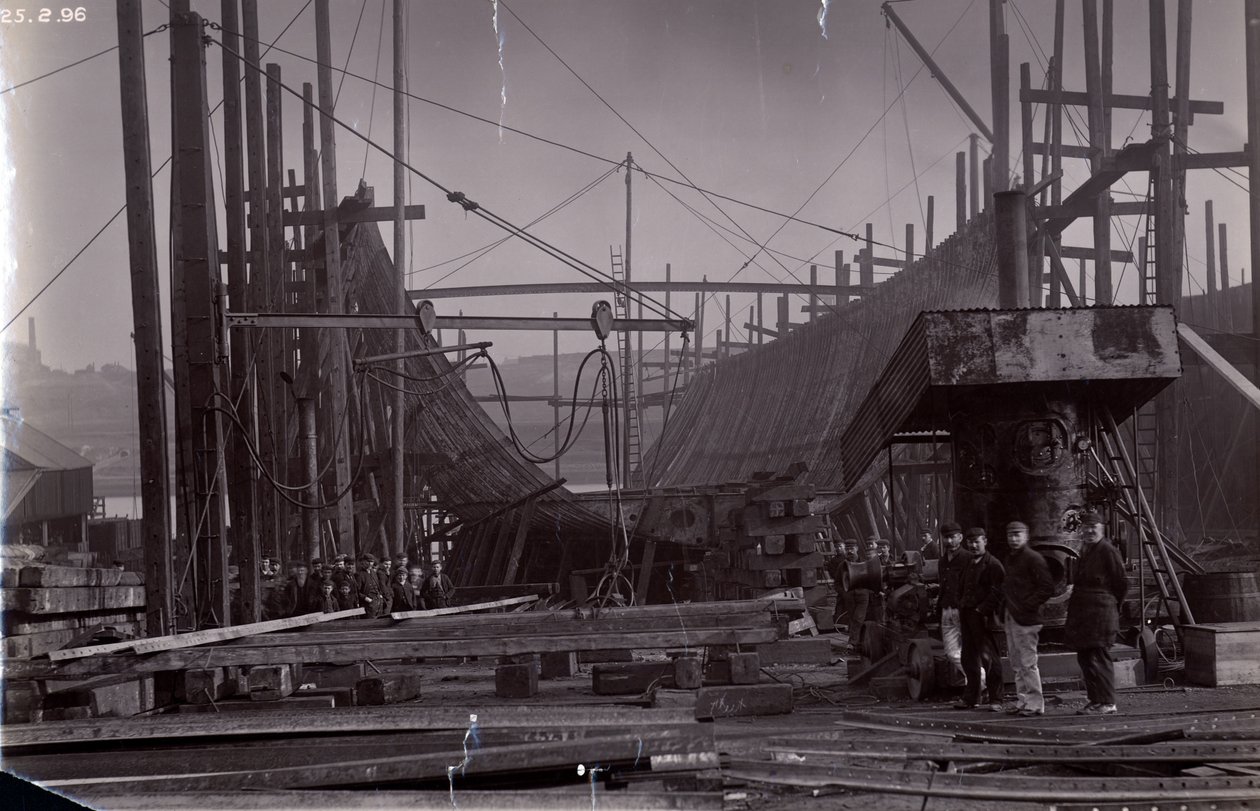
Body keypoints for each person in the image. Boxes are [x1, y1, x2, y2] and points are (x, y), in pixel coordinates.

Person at [1065, 512, 1128, 715]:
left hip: (1101, 612)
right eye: (1086, 527)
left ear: (1102, 529)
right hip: (1085, 613)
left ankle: (1108, 702)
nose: (1090, 530)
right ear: (1081, 530)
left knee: (1099, 656)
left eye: (1094, 527)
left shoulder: (1107, 550)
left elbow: (1121, 582)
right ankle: (1095, 700)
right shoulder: (1087, 550)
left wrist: (1110, 605)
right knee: (1085, 656)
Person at [1002, 520, 1055, 716]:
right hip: (1012, 616)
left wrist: (1026, 605)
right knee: (1016, 662)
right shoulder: (1011, 558)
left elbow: (1047, 588)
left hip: (1027, 620)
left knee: (1027, 662)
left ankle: (1035, 704)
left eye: (1018, 534)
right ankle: (1023, 701)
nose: (1014, 539)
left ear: (1026, 536)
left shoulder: (1034, 559)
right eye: (1011, 535)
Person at [955, 527, 1005, 711]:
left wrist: (982, 609)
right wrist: (961, 604)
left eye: (977, 541)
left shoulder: (993, 564)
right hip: (967, 615)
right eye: (970, 542)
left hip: (984, 618)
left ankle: (996, 700)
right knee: (968, 658)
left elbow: (998, 591)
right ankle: (971, 698)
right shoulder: (968, 563)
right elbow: (961, 587)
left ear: (985, 541)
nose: (974, 545)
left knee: (989, 659)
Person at [936, 521, 968, 676]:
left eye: (952, 537)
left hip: (963, 610)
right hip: (947, 610)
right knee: (951, 653)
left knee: (970, 651)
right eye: (946, 538)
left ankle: (976, 687)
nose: (949, 541)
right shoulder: (942, 562)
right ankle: (981, 682)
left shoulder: (968, 558)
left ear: (960, 537)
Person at [829, 540, 860, 632]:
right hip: (845, 595)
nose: (850, 551)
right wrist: (843, 593)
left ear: (857, 549)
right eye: (847, 549)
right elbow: (837, 583)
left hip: (860, 596)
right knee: (840, 618)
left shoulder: (863, 563)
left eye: (852, 548)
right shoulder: (841, 566)